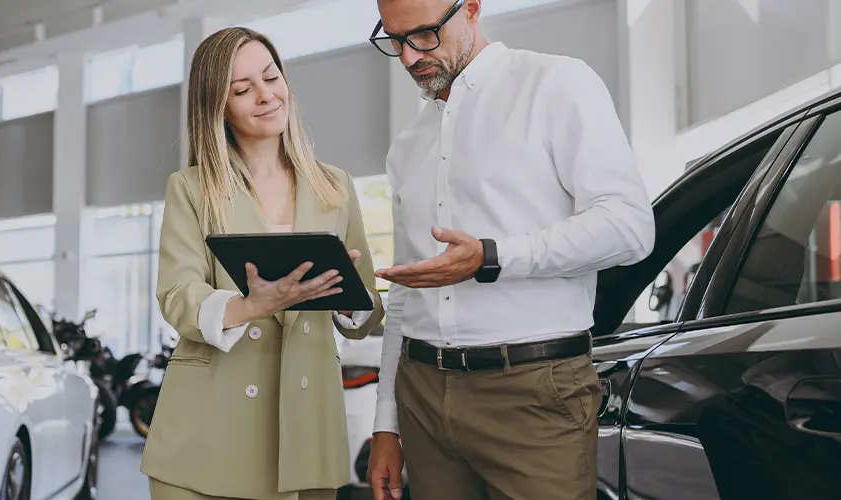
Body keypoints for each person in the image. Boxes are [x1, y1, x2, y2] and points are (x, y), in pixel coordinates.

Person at [363, 1, 656, 499]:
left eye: (425, 35)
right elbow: (406, 297)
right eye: (394, 40)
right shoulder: (409, 145)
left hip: (532, 391)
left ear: (472, 7)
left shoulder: (556, 84)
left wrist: (492, 257)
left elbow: (630, 228)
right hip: (422, 395)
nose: (410, 57)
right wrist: (386, 426)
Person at [141, 26, 386, 500]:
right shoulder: (192, 188)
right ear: (219, 107)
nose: (266, 95)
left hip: (306, 430)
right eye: (242, 89)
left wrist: (344, 295)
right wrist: (253, 305)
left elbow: (365, 311)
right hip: (206, 435)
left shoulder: (335, 186)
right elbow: (177, 295)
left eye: (271, 77)